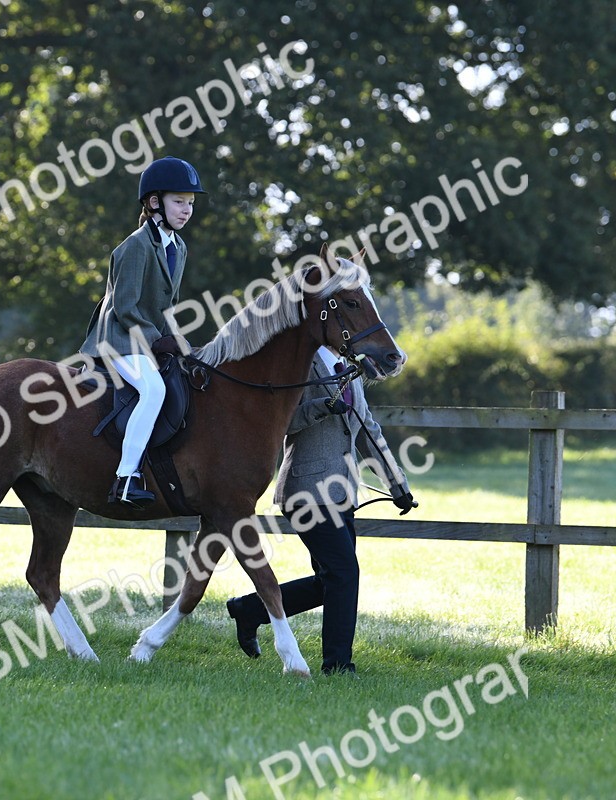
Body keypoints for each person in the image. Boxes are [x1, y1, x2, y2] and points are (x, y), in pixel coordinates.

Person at [225, 347, 415, 675]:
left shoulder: (352, 368)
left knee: (330, 582)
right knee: (344, 574)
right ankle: (338, 666)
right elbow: (278, 420)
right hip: (306, 490)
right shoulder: (299, 361)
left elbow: (368, 429)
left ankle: (250, 609)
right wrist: (319, 407)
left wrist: (397, 485)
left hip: (342, 493)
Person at [79, 156, 206, 508]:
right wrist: (157, 340)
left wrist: (178, 341)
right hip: (119, 338)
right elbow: (126, 306)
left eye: (190, 203)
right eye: (179, 201)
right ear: (154, 202)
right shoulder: (135, 245)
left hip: (146, 339)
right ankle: (126, 477)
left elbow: (167, 307)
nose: (186, 210)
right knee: (152, 389)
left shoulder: (178, 248)